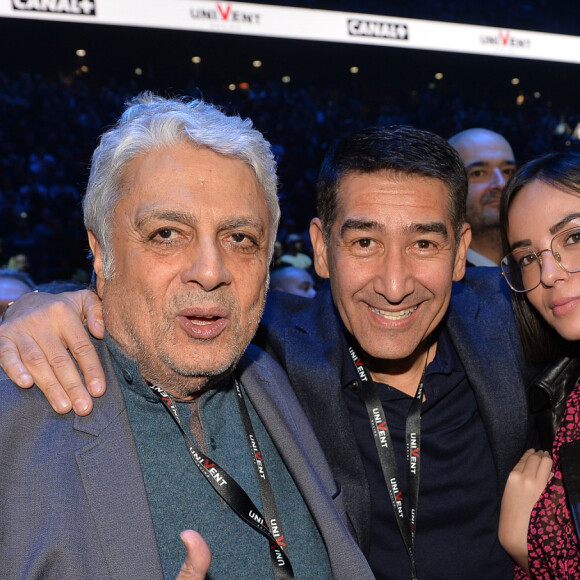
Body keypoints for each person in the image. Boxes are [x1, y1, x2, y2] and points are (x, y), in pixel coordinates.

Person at [0, 126, 533, 579]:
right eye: (364, 242)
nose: (394, 284)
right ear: (321, 249)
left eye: (424, 244)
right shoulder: (275, 342)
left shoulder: (510, 323)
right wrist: (37, 305)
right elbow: (142, 301)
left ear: (461, 252)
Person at [0, 93, 372, 580]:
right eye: (167, 234)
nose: (211, 271)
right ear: (100, 249)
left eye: (240, 238)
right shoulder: (16, 418)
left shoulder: (279, 376)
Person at [498, 150, 580, 578]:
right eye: (528, 258)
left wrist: (524, 544)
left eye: (574, 237)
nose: (548, 274)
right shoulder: (567, 393)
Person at [449, 128, 516, 266]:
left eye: (507, 171)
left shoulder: (547, 267)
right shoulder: (440, 281)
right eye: (478, 173)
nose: (501, 183)